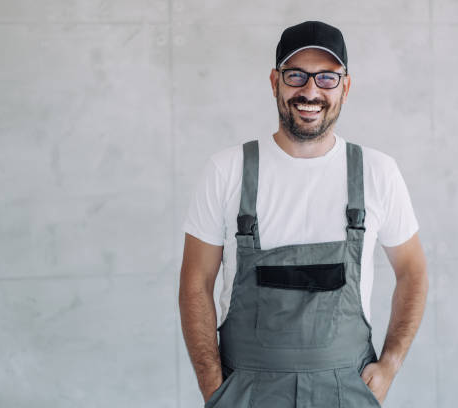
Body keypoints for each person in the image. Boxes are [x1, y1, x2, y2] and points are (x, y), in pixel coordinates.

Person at [179, 20, 428, 408]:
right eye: (296, 76)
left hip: (346, 391)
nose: (310, 91)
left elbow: (413, 271)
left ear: (345, 87)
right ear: (274, 82)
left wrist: (390, 364)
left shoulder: (378, 172)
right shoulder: (226, 171)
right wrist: (213, 385)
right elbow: (196, 281)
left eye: (326, 78)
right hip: (245, 391)